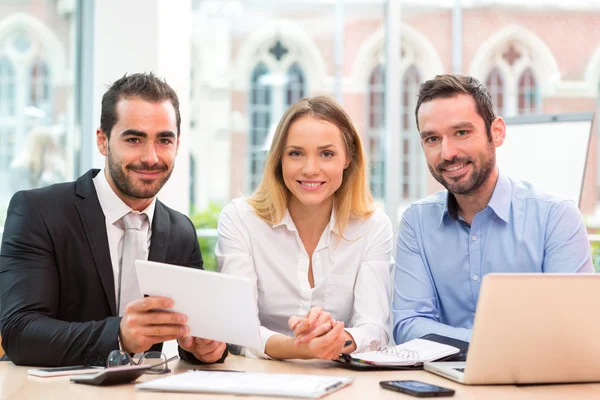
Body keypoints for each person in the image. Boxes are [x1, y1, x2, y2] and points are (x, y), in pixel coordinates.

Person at [0, 73, 227, 366]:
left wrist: (205, 348)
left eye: (164, 140)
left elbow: (195, 334)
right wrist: (118, 335)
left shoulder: (181, 230)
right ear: (103, 141)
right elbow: (21, 333)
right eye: (134, 139)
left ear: (177, 144)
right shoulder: (37, 211)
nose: (151, 157)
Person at [392, 74, 593, 344]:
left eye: (461, 132)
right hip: (443, 380)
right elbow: (409, 324)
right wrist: (499, 343)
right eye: (432, 139)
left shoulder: (555, 217)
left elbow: (574, 327)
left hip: (534, 381)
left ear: (496, 132)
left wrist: (479, 343)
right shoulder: (417, 222)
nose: (447, 152)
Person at [216, 96, 393, 360]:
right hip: (258, 378)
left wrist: (338, 339)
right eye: (296, 153)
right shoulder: (240, 220)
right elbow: (237, 329)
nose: (310, 169)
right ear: (279, 159)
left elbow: (375, 329)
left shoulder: (373, 226)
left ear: (348, 158)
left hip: (343, 381)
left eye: (326, 154)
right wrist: (301, 348)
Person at [9, 126, 66, 192]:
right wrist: (47, 174)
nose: (54, 153)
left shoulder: (55, 168)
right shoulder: (20, 169)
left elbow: (62, 192)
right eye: (51, 148)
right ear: (42, 149)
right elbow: (27, 198)